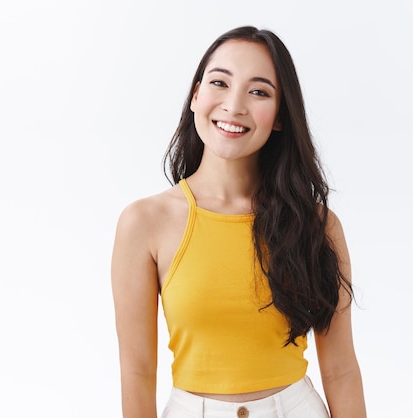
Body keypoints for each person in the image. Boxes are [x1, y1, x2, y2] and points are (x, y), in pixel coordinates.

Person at [110, 26, 366, 418]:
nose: (234, 105)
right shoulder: (144, 223)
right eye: (219, 83)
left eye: (259, 91)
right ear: (196, 95)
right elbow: (138, 372)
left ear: (280, 116)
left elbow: (342, 370)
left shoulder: (317, 224)